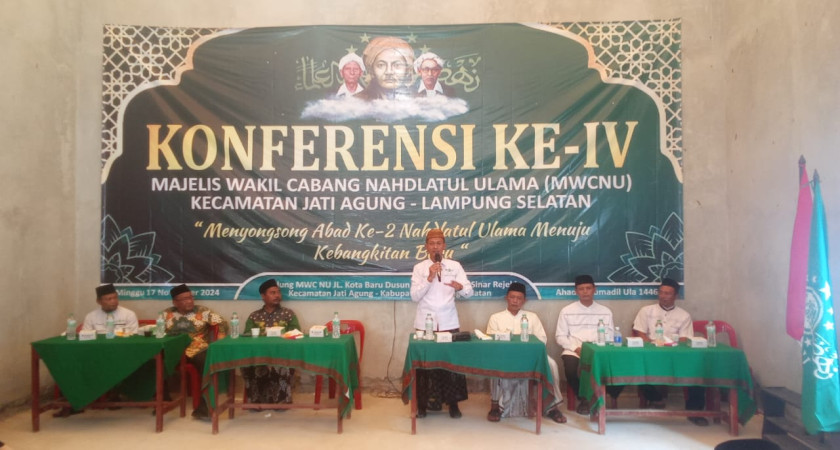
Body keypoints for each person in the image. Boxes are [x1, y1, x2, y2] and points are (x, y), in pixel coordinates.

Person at [409, 228, 473, 418]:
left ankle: (453, 404)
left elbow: (469, 292)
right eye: (432, 243)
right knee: (424, 366)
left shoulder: (455, 266)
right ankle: (423, 405)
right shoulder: (419, 268)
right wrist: (429, 278)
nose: (435, 247)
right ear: (426, 246)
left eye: (439, 243)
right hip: (425, 323)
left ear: (444, 246)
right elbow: (414, 296)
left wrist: (460, 287)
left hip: (448, 321)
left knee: (451, 365)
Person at [485, 282, 566, 423]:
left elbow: (542, 339)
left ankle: (552, 407)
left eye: (519, 298)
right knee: (494, 365)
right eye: (512, 297)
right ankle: (495, 406)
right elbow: (491, 341)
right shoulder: (496, 318)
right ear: (506, 298)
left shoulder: (532, 317)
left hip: (531, 357)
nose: (515, 301)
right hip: (505, 357)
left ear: (524, 300)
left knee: (552, 364)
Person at [631, 278, 708, 426]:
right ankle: (656, 398)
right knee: (637, 366)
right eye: (661, 292)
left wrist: (671, 346)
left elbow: (684, 339)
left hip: (675, 354)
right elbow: (640, 333)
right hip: (652, 352)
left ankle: (695, 411)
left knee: (696, 370)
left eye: (668, 293)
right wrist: (651, 346)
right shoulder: (646, 311)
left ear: (675, 296)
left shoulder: (684, 315)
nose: (663, 296)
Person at [555, 274, 621, 414]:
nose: (585, 292)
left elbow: (610, 335)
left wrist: (596, 349)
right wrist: (576, 348)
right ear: (576, 291)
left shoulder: (605, 312)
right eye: (581, 289)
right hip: (575, 350)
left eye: (588, 288)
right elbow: (560, 336)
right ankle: (584, 399)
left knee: (618, 367)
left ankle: (602, 395)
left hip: (599, 350)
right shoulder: (567, 311)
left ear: (594, 290)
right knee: (571, 369)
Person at [164, 284, 227, 420]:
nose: (190, 301)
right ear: (175, 302)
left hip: (197, 349)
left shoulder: (202, 311)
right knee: (156, 360)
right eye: (185, 299)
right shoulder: (166, 314)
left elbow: (222, 323)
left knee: (207, 363)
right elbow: (159, 331)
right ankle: (163, 400)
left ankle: (205, 408)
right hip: (174, 350)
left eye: (191, 298)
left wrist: (219, 341)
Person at [241, 279, 301, 406]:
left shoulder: (288, 314)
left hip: (282, 354)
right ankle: (256, 402)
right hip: (258, 355)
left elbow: (296, 332)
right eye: (273, 293)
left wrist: (281, 334)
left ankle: (281, 402)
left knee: (280, 366)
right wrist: (265, 333)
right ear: (263, 296)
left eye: (278, 292)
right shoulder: (254, 316)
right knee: (250, 364)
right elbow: (247, 335)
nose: (277, 295)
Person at [355, 36, 415, 101]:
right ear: (372, 70)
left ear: (407, 69)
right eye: (381, 65)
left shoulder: (417, 101)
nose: (389, 72)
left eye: (397, 65)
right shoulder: (357, 101)